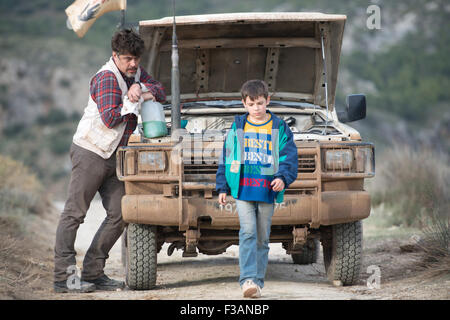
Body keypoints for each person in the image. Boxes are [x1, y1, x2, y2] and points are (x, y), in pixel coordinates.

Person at [54, 28, 165, 293]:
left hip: (116, 156)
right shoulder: (106, 78)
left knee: (121, 213)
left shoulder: (135, 74)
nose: (133, 64)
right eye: (127, 58)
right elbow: (110, 117)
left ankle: (93, 273)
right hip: (90, 152)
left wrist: (142, 87)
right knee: (74, 214)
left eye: (136, 58)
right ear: (115, 55)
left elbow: (160, 91)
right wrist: (132, 98)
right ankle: (63, 278)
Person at [216, 80, 298, 298]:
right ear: (244, 104)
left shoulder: (279, 127)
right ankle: (248, 280)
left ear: (268, 101)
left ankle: (258, 282)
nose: (257, 108)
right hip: (243, 190)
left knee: (262, 237)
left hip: (267, 190)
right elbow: (227, 156)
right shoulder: (238, 126)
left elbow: (288, 156)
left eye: (260, 103)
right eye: (252, 104)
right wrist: (222, 186)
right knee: (248, 232)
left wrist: (282, 177)